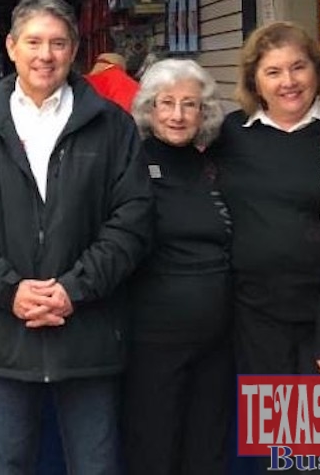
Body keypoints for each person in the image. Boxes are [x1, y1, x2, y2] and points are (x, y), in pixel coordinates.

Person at [0, 0, 152, 475]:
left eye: (57, 43)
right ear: (11, 47)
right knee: (8, 461)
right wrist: (9, 290)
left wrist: (74, 289)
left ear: (75, 50)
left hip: (88, 331)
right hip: (6, 332)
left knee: (96, 464)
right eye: (33, 41)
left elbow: (133, 220)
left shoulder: (112, 126)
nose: (45, 55)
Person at [211, 22, 320, 372]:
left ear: (317, 69)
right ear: (255, 80)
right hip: (253, 317)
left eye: (299, 67)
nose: (289, 81)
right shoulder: (229, 135)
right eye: (273, 71)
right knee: (275, 425)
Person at [122, 59, 231, 475]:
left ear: (204, 112)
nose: (178, 115)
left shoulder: (215, 164)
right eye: (166, 103)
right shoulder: (131, 163)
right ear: (149, 109)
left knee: (208, 448)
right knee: (154, 448)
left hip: (219, 337)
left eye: (190, 104)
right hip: (153, 339)